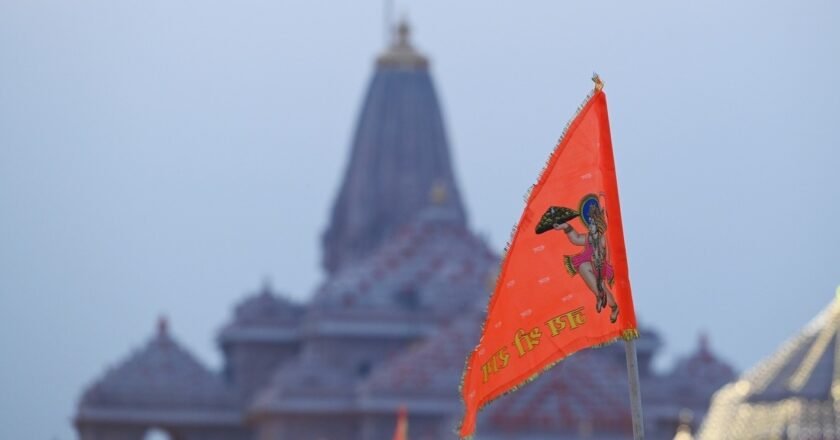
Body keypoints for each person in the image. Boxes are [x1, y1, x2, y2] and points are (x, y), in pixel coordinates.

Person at [552, 200, 619, 323]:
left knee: (602, 285)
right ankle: (599, 295)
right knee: (582, 266)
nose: (590, 226)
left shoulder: (603, 239)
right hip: (590, 263)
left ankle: (614, 307)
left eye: (593, 224)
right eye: (590, 223)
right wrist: (565, 226)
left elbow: (607, 253)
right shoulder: (588, 237)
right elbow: (576, 239)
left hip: (601, 266)